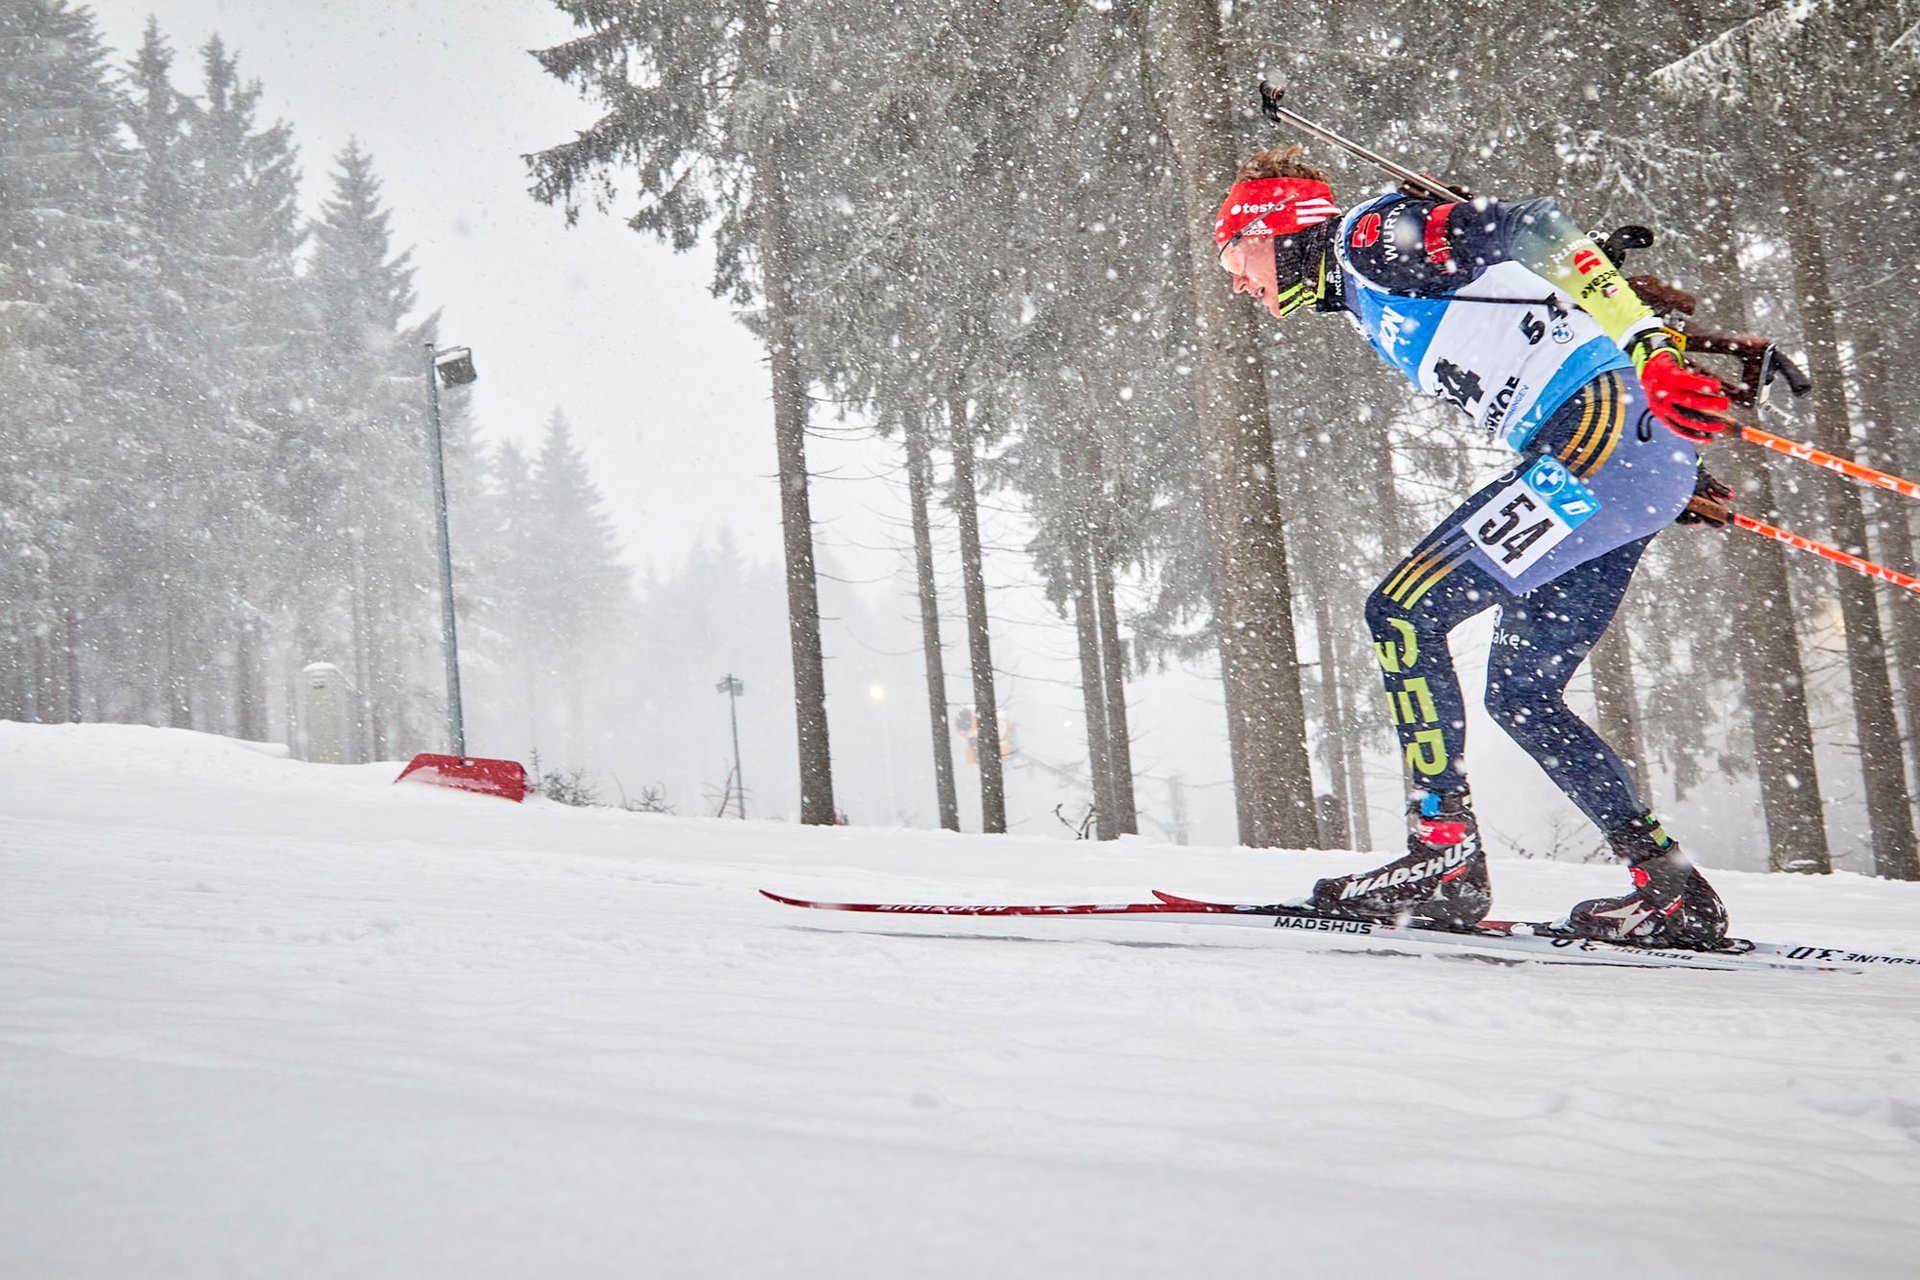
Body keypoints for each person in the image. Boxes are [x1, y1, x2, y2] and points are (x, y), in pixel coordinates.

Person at [1215, 144, 1733, 948]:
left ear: (1272, 230)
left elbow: (1540, 228)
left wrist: (1653, 351)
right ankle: (1670, 888)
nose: (1237, 282)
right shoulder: (1362, 285)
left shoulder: (1367, 238)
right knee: (1522, 693)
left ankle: (1443, 856)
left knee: (1402, 611)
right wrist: (1664, 464)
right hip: (1623, 452)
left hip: (1599, 438)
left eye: (1234, 257)